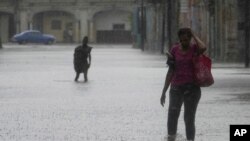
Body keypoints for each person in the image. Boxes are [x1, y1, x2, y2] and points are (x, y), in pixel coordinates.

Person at [160, 28, 207, 141]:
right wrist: (164, 91)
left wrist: (194, 35)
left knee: (189, 118)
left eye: (186, 40)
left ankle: (190, 139)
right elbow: (170, 71)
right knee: (172, 115)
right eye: (181, 40)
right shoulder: (174, 50)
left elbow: (203, 48)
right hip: (176, 88)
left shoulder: (195, 49)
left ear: (190, 39)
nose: (184, 42)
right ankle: (171, 138)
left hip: (192, 89)